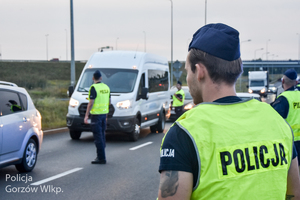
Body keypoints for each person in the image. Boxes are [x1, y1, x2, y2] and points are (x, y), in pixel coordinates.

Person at [157, 23, 300, 199]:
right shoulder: (276, 121)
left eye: (188, 71)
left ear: (199, 71)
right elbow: (294, 193)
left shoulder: (185, 132)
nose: (187, 78)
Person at [272, 69, 300, 168]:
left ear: (283, 81)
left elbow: (273, 121)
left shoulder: (283, 99)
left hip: (291, 142)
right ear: (296, 82)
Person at [84, 70, 110, 164]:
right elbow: (108, 102)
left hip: (96, 116)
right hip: (103, 114)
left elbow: (91, 102)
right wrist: (106, 115)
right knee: (102, 135)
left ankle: (101, 158)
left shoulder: (93, 87)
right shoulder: (106, 87)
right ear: (101, 78)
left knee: (98, 136)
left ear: (93, 78)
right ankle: (101, 155)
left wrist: (86, 115)